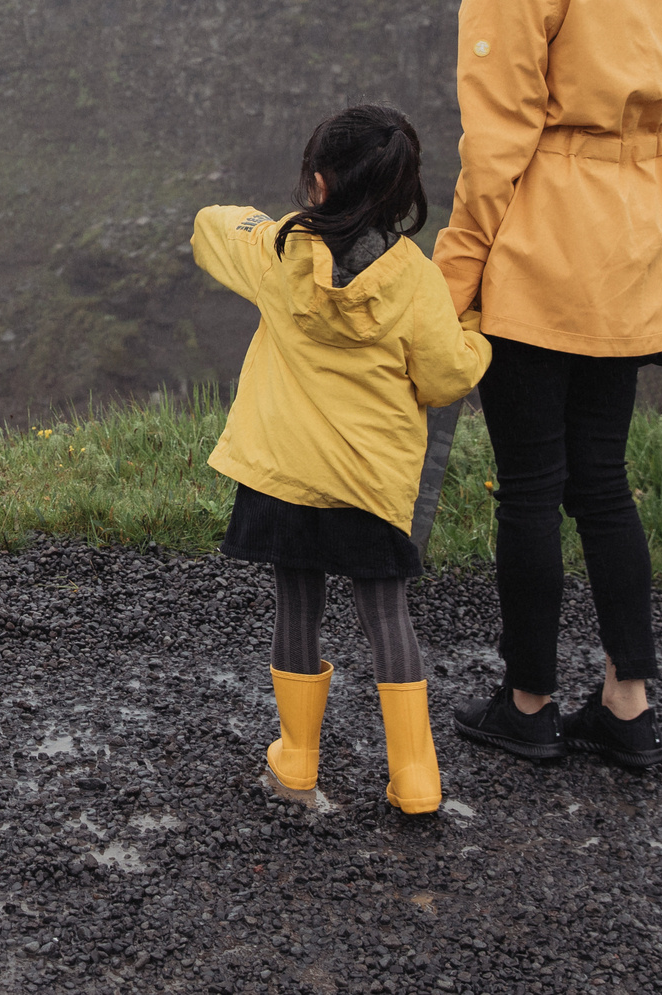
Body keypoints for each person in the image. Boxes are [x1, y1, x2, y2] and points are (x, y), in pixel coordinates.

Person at [434, 0, 662, 772]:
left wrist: (451, 278)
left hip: (538, 250)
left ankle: (529, 701)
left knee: (527, 483)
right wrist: (649, 209)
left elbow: (495, 143)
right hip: (638, 246)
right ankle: (628, 707)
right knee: (602, 481)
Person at [192, 105, 492, 814]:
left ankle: (297, 763)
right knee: (386, 613)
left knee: (296, 600)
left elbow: (212, 226)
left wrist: (261, 222)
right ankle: (416, 779)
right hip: (369, 484)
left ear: (319, 183)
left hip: (286, 476)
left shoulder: (277, 251)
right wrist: (474, 332)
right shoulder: (414, 280)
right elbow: (446, 377)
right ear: (400, 193)